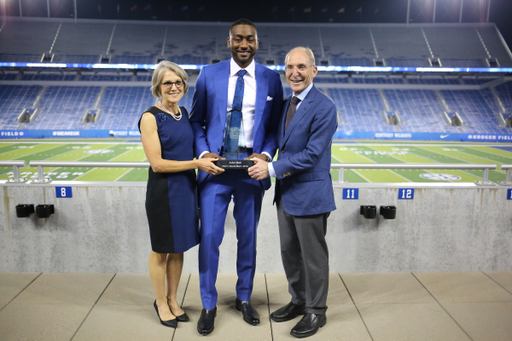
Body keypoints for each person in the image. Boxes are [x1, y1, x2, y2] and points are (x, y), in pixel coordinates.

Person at [190, 18, 283, 335]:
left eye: (251, 39)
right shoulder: (208, 74)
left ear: (258, 43)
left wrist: (267, 155)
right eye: (239, 39)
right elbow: (196, 122)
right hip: (216, 171)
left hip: (250, 170)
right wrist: (203, 154)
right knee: (210, 240)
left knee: (249, 239)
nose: (245, 44)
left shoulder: (271, 79)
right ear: (228, 41)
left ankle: (244, 298)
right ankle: (208, 304)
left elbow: (274, 129)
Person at [248, 46, 337, 338]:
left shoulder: (324, 107)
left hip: (310, 194)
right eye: (289, 67)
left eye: (301, 67)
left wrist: (271, 169)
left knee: (313, 256)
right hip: (286, 194)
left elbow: (312, 155)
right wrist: (263, 154)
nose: (294, 73)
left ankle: (316, 311)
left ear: (314, 70)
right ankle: (299, 300)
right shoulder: (288, 103)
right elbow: (278, 140)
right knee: (290, 254)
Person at [139, 60, 224, 328]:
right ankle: (160, 301)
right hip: (164, 192)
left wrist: (206, 156)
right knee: (161, 250)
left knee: (178, 250)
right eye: (167, 83)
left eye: (178, 82)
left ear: (184, 86)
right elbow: (157, 164)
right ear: (158, 87)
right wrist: (197, 164)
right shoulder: (150, 117)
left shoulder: (184, 113)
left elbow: (194, 147)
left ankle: (174, 299)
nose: (174, 87)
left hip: (187, 191)